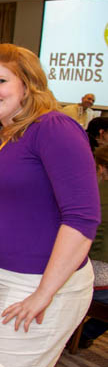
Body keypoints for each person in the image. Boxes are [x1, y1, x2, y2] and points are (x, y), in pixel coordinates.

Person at [0, 43, 97, 367]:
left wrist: (43, 294)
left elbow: (82, 219)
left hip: (35, 284)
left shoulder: (54, 128)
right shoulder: (0, 134)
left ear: (27, 83)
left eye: (0, 81)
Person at [78, 144, 108, 348]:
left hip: (92, 270)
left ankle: (81, 334)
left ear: (101, 168)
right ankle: (83, 334)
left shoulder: (95, 192)